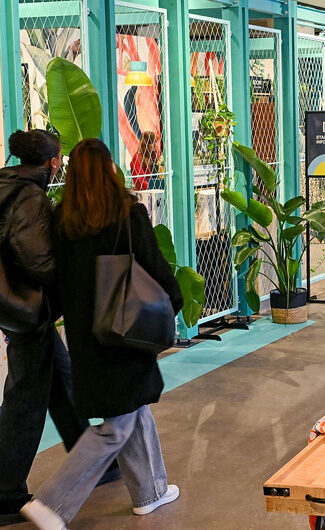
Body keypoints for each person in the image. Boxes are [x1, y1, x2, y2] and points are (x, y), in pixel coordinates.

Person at [20, 138, 183, 529]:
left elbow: (57, 282)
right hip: (127, 328)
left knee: (132, 406)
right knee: (116, 425)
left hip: (88, 336)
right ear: (110, 169)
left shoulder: (62, 222)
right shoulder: (128, 213)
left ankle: (151, 491)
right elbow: (157, 271)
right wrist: (172, 307)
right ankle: (51, 504)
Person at [0, 131, 105, 525]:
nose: (60, 164)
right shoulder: (29, 197)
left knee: (60, 380)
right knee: (26, 399)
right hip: (28, 309)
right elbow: (38, 259)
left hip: (17, 308)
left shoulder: (7, 184)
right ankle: (5, 491)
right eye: (58, 158)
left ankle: (90, 457)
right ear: (50, 162)